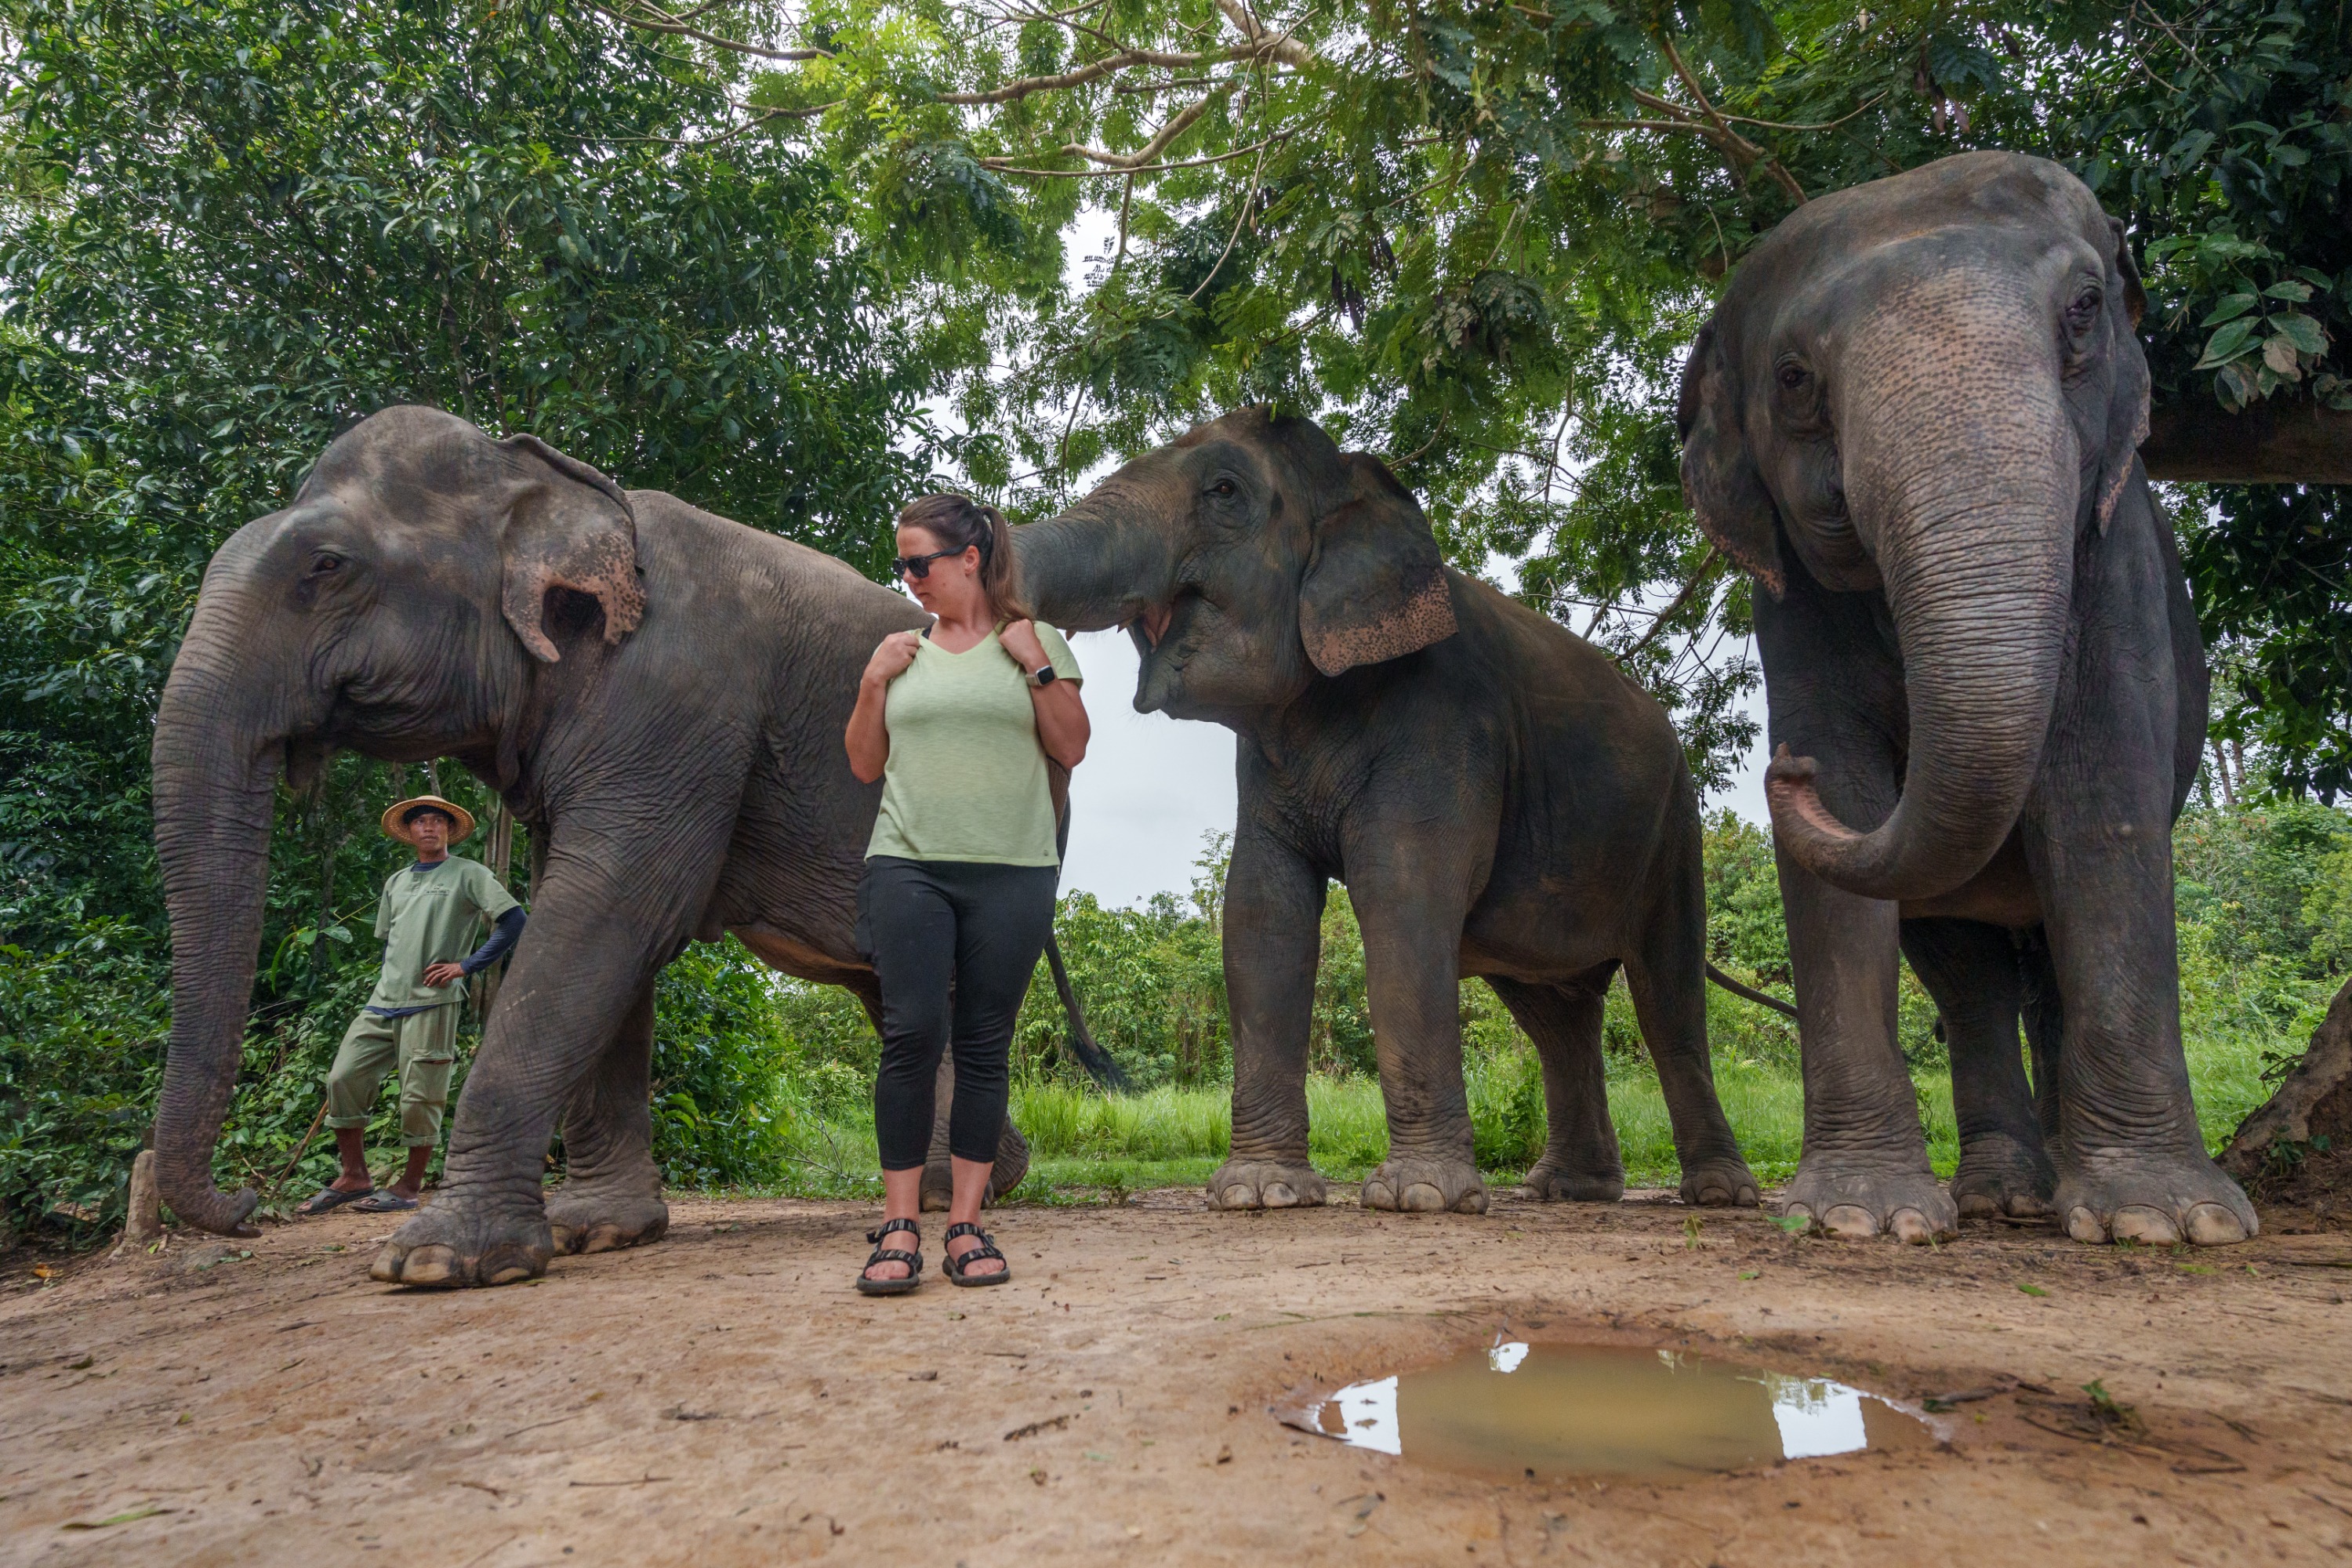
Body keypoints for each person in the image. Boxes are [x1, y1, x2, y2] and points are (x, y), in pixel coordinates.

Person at [843, 494, 1089, 1294]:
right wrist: (872, 685)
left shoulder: (1034, 641)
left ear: (971, 558)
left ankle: (968, 1223)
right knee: (912, 1035)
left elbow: (1073, 745)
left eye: (920, 562)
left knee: (985, 1042)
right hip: (908, 864)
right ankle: (900, 1224)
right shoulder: (900, 651)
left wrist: (1034, 660)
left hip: (1014, 868)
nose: (909, 578)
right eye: (902, 565)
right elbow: (864, 765)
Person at [295, 795, 526, 1216]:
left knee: (420, 1096)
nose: (429, 828)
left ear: (449, 830)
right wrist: (384, 986)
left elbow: (514, 919)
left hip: (432, 1002)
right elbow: (391, 942)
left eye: (438, 821)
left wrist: (467, 965)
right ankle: (354, 1175)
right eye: (420, 822)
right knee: (343, 1076)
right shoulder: (397, 881)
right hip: (383, 1002)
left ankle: (408, 1186)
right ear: (411, 832)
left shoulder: (469, 874)